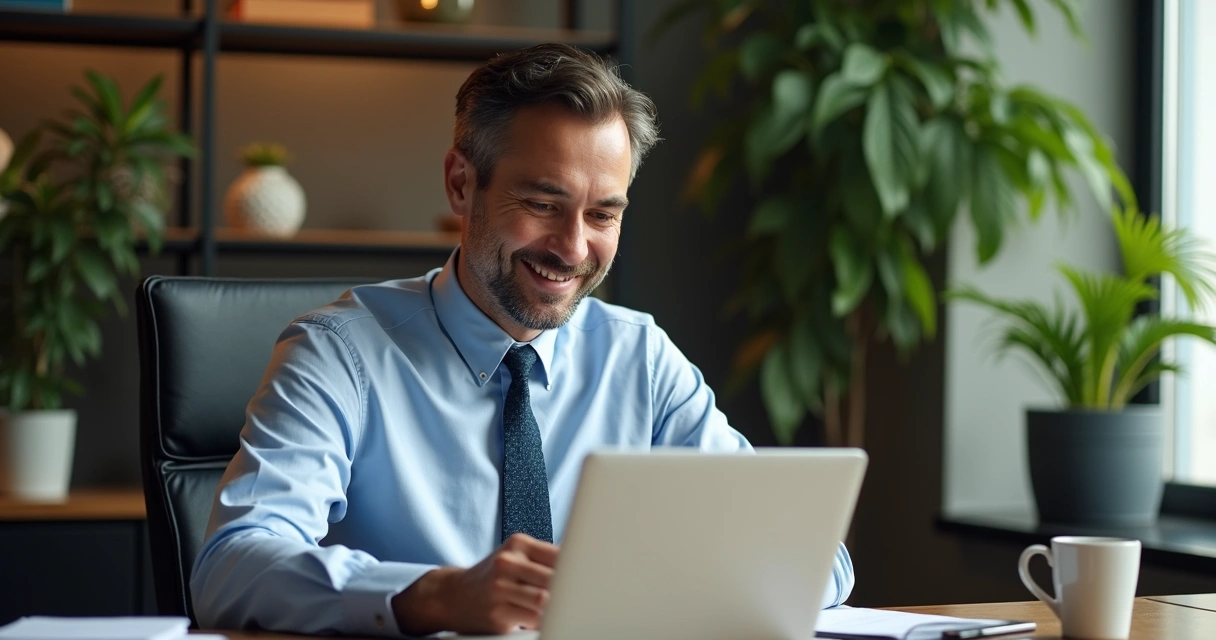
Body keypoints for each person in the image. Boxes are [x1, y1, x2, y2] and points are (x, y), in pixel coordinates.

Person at [191, 43, 855, 637]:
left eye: (602, 214)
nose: (572, 248)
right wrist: (436, 596)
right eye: (542, 204)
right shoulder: (340, 353)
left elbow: (814, 560)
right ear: (461, 182)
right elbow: (233, 563)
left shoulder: (640, 358)